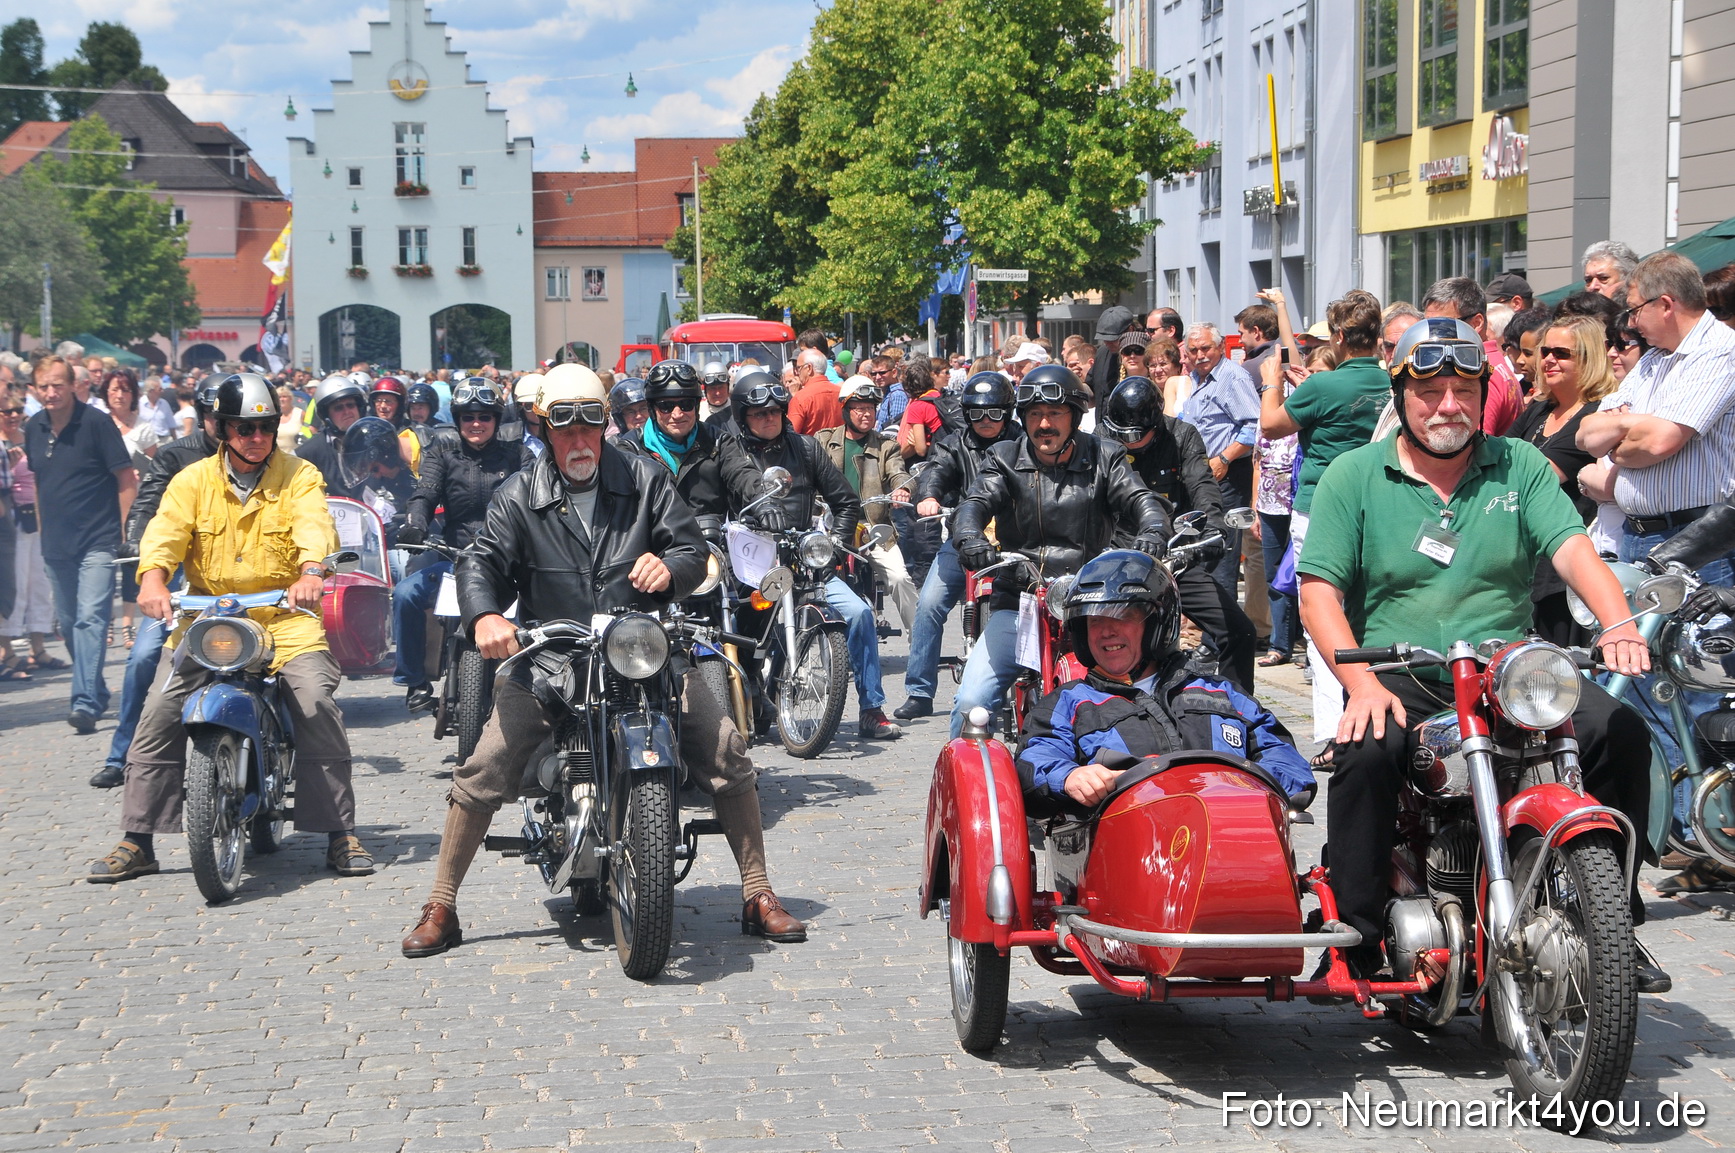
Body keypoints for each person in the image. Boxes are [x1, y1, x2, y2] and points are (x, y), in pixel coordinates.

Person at [1295, 317, 1665, 990]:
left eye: (1463, 391)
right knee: (1365, 753)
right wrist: (1361, 682)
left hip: (1507, 672)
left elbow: (1572, 549)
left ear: (1483, 396)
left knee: (1618, 731)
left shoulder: (1516, 463)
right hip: (1400, 674)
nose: (1446, 406)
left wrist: (1618, 623)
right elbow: (1317, 591)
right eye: (1429, 390)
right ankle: (1354, 937)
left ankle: (1610, 921)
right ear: (1400, 394)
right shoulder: (1354, 474)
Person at [399, 362, 806, 957]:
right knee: (483, 766)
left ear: (605, 425)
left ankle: (757, 891)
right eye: (565, 427)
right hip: (554, 657)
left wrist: (672, 567)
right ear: (544, 429)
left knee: (725, 750)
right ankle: (442, 903)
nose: (579, 440)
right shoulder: (520, 494)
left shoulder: (643, 479)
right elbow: (480, 560)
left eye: (591, 424)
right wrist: (484, 614)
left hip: (643, 648)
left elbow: (691, 546)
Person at [86, 372, 372, 884]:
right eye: (243, 429)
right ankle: (138, 838)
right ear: (222, 429)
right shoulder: (191, 480)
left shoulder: (299, 474)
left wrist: (311, 573)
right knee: (159, 708)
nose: (255, 438)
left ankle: (339, 833)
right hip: (209, 622)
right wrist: (152, 581)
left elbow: (315, 526)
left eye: (263, 427)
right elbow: (165, 535)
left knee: (315, 702)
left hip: (287, 620)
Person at [948, 364, 1168, 738]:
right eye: (1034, 414)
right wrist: (970, 537)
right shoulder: (1003, 457)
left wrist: (1153, 528)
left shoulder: (1105, 456)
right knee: (972, 702)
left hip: (1092, 602)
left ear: (1075, 417)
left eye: (1054, 413)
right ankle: (959, 783)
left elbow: (1140, 498)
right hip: (1018, 600)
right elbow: (974, 503)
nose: (1044, 424)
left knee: (1146, 687)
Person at [1016, 549, 1312, 808]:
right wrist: (1069, 777)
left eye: (1122, 616)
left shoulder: (1222, 693)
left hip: (1230, 840)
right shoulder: (1068, 704)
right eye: (1095, 622)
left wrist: (1253, 790)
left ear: (1158, 624)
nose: (1107, 632)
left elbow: (1283, 755)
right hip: (1132, 853)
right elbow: (1036, 759)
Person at [728, 369, 903, 741]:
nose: (769, 418)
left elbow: (845, 502)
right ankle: (749, 697)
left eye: (775, 411)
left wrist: (833, 547)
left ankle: (872, 708)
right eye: (759, 413)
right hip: (752, 563)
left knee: (858, 614)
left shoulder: (806, 448)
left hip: (804, 561)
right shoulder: (733, 452)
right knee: (744, 628)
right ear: (743, 416)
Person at [1259, 292, 1389, 746]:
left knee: (1321, 619)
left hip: (1320, 509)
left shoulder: (1324, 384)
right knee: (1369, 614)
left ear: (1337, 336)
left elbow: (1271, 425)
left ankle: (1337, 732)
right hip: (1380, 508)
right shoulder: (1393, 381)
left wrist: (1271, 382)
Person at [90, 384, 224, 789]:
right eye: (218, 417)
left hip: (244, 580)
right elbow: (148, 503)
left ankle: (293, 751)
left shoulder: (265, 457)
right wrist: (136, 536)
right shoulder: (176, 454)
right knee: (145, 654)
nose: (232, 427)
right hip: (184, 574)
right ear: (202, 416)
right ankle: (123, 755)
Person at [1099, 375, 1258, 693]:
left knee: (1239, 630)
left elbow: (1203, 485)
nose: (1126, 441)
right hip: (1114, 557)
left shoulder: (1182, 436)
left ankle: (1237, 713)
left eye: (1134, 434)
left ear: (1155, 423)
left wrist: (1212, 530)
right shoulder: (1101, 438)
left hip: (1171, 558)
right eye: (1119, 433)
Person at [392, 381, 535, 713]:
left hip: (508, 563)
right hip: (454, 558)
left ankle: (540, 681)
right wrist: (415, 522)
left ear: (497, 420)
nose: (476, 423)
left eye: (484, 417)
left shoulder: (519, 453)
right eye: (468, 416)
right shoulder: (442, 451)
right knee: (404, 595)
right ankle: (415, 681)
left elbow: (535, 497)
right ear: (457, 419)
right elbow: (425, 493)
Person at [893, 373, 1022, 721]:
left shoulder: (1022, 443)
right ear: (966, 414)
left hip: (1011, 542)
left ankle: (1029, 685)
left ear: (1008, 413)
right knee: (929, 605)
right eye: (977, 414)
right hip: (962, 542)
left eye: (994, 414)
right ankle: (919, 691)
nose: (985, 422)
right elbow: (935, 471)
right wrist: (929, 496)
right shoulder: (953, 442)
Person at [23, 355, 137, 733]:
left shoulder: (96, 423)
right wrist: (42, 533)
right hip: (56, 543)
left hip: (98, 540)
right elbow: (40, 485)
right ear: (35, 391)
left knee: (91, 619)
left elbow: (126, 478)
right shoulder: (33, 427)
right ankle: (96, 688)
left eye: (58, 384)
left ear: (73, 385)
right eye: (44, 387)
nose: (51, 392)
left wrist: (124, 534)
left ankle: (84, 702)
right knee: (70, 623)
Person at [1506, 315, 1613, 646]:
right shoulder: (1540, 411)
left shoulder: (1594, 416)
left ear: (1589, 358)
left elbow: (1535, 477)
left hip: (1560, 569)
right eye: (1545, 350)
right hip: (1521, 560)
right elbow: (1491, 458)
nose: (1548, 359)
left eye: (1562, 353)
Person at [813, 377, 918, 633]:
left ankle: (920, 642)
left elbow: (898, 473)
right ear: (846, 410)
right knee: (811, 576)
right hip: (831, 525)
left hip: (873, 527)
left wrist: (903, 488)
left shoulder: (886, 446)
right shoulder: (824, 441)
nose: (866, 413)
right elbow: (809, 474)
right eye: (860, 408)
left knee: (899, 577)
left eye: (870, 408)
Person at [1177, 324, 1259, 599]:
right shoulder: (1197, 378)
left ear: (1220, 347)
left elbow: (1254, 426)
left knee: (1221, 553)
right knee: (1205, 553)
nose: (1200, 355)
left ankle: (1222, 639)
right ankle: (1212, 637)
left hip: (1227, 475)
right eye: (1194, 350)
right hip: (1201, 475)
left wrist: (1224, 458)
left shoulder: (1232, 376)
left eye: (1206, 348)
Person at [1420, 278, 1522, 435]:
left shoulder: (1481, 371)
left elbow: (1476, 443)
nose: (1432, 335)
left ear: (1476, 323)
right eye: (1428, 326)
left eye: (1444, 327)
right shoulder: (1492, 362)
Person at [297, 374, 368, 494]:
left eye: (350, 405)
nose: (347, 412)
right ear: (326, 415)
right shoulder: (308, 453)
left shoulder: (373, 441)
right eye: (338, 408)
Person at [786, 348, 842, 436]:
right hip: (839, 448)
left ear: (809, 368)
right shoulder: (842, 393)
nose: (796, 372)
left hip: (811, 448)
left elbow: (791, 435)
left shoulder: (800, 398)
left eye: (798, 368)